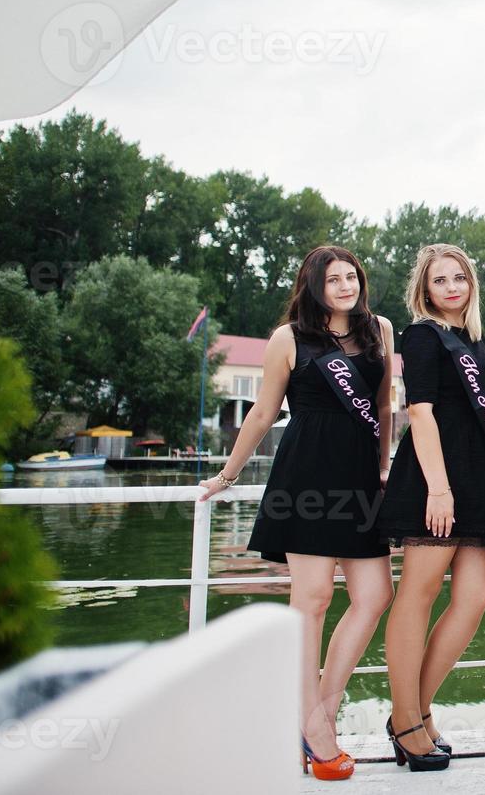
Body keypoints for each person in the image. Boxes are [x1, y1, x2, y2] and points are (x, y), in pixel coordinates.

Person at [198, 245, 393, 781]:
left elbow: (381, 408)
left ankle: (317, 713)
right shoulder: (289, 338)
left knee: (376, 596)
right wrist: (227, 475)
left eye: (352, 277)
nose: (346, 286)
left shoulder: (380, 329)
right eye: (334, 280)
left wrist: (381, 470)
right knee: (312, 599)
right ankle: (317, 730)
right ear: (314, 286)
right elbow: (262, 412)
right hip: (306, 474)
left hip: (359, 479)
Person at [377, 244, 485, 771]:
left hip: (480, 478)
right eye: (439, 280)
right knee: (418, 594)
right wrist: (439, 488)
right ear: (424, 290)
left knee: (475, 596)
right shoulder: (423, 335)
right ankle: (408, 721)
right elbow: (420, 413)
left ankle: (415, 708)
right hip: (437, 478)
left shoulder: (472, 337)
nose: (451, 287)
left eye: (459, 278)